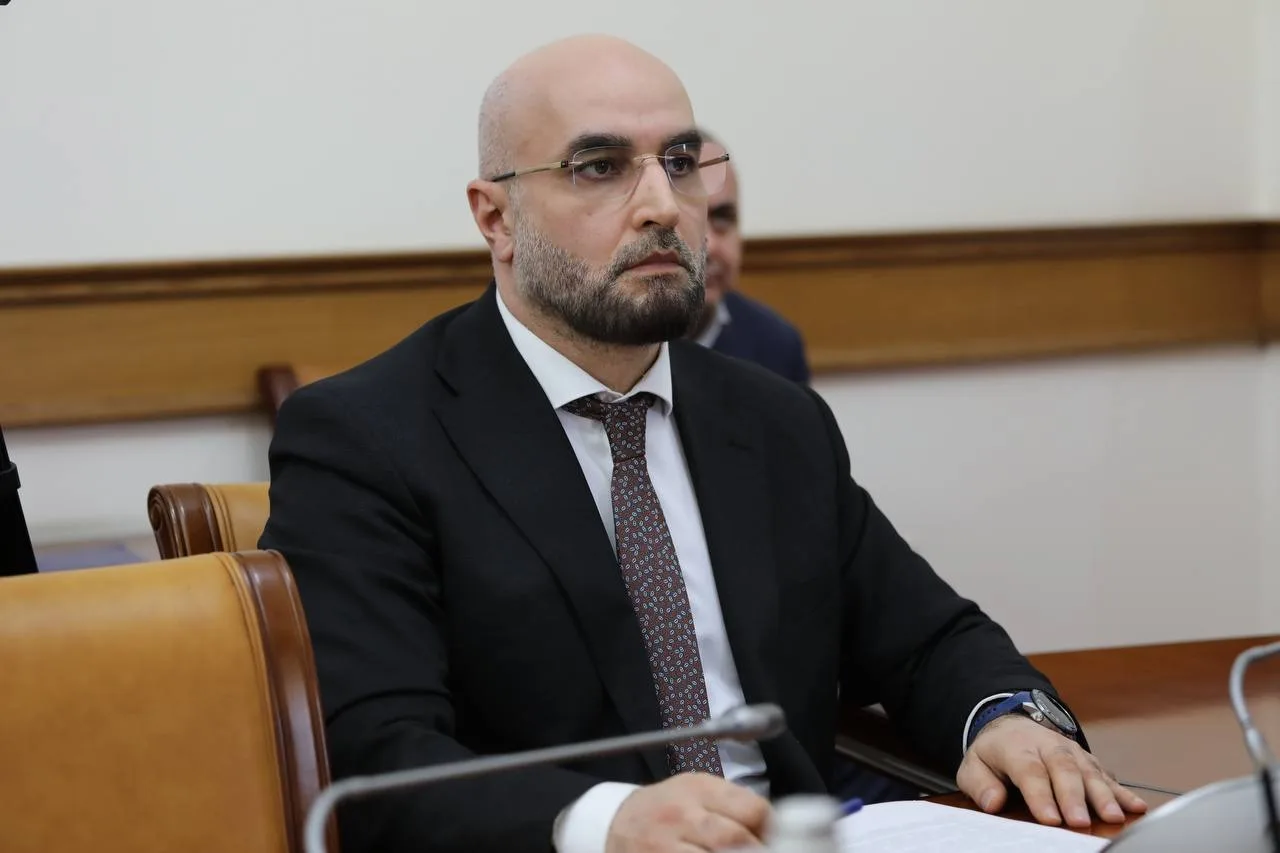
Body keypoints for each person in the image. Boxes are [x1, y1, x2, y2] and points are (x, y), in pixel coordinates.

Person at [260, 34, 1147, 853]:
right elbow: (376, 752)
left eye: (681, 163)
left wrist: (1004, 716)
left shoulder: (772, 419)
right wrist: (604, 820)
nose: (662, 206)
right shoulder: (365, 437)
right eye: (600, 166)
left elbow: (927, 636)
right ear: (495, 218)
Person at [689, 143, 811, 384]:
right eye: (692, 220)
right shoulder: (619, 345)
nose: (711, 246)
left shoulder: (776, 345)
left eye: (723, 218)